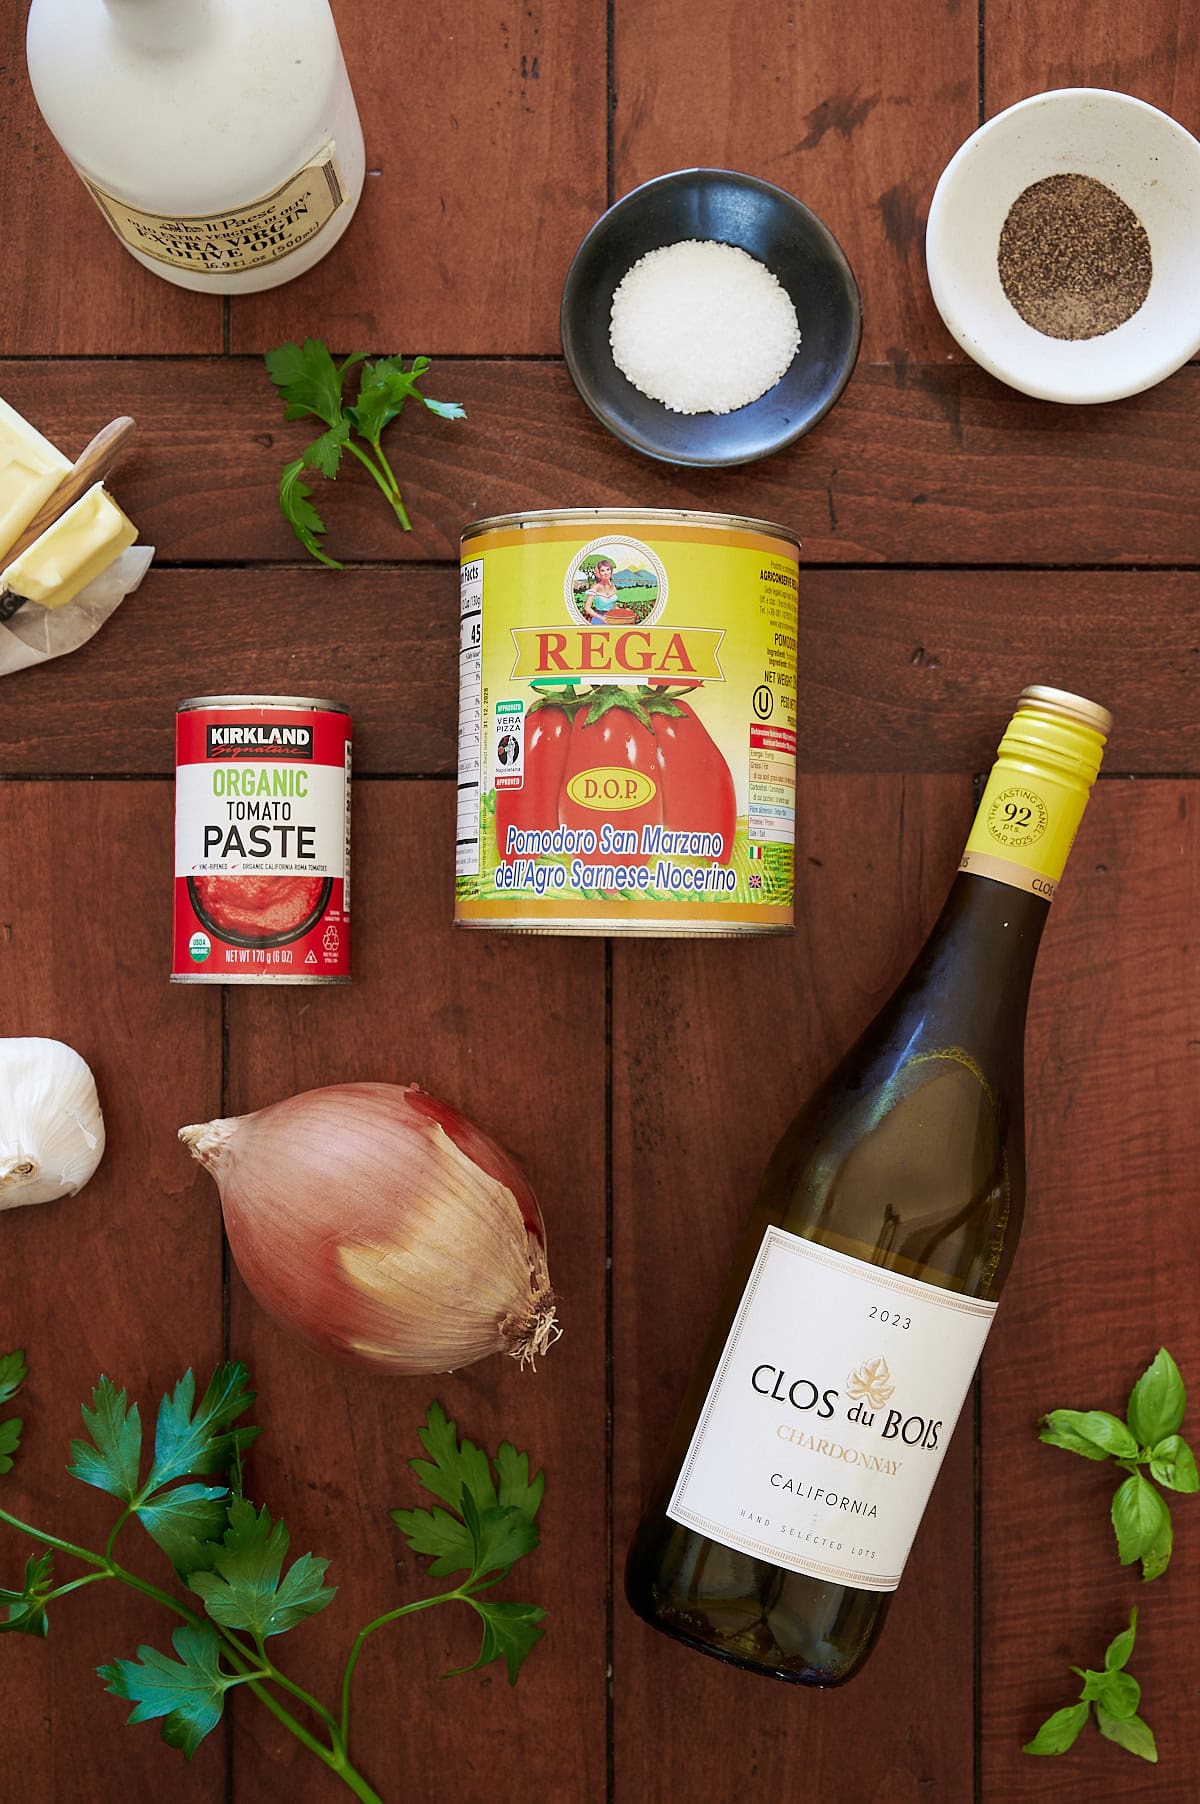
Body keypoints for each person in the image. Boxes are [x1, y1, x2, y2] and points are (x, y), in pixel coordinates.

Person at [581, 557, 619, 622]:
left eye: (608, 569)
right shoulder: (596, 587)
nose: (606, 573)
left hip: (612, 618)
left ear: (611, 571)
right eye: (602, 570)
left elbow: (613, 605)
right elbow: (587, 608)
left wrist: (622, 612)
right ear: (599, 573)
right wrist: (601, 618)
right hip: (598, 619)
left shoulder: (613, 587)